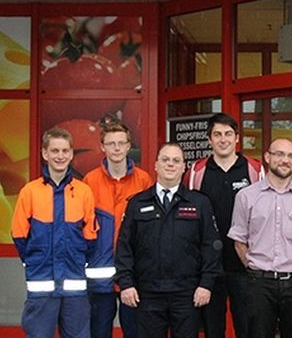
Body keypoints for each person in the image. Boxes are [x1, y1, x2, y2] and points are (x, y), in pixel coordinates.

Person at [114, 142, 221, 338]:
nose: (170, 164)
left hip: (187, 294)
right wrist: (126, 284)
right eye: (165, 160)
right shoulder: (137, 203)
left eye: (176, 160)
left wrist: (206, 284)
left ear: (183, 167)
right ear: (156, 165)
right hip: (148, 293)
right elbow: (124, 247)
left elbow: (211, 247)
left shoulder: (199, 203)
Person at [228, 138, 292, 338]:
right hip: (259, 284)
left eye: (291, 156)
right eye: (279, 154)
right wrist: (255, 267)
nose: (285, 160)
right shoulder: (246, 196)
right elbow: (239, 241)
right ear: (267, 157)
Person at [11, 127, 98, 338]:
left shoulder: (83, 191)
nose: (60, 156)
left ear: (71, 154)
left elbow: (90, 236)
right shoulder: (30, 191)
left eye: (65, 151)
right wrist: (35, 261)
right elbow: (19, 234)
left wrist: (77, 260)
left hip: (74, 282)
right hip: (42, 282)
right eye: (55, 150)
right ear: (45, 153)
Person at [185, 113, 262, 338]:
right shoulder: (196, 172)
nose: (223, 139)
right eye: (217, 134)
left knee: (247, 328)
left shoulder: (254, 169)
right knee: (212, 329)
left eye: (228, 134)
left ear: (237, 138)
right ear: (209, 139)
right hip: (208, 267)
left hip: (244, 265)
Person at [84, 122, 153, 338]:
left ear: (128, 146)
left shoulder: (143, 180)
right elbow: (83, 227)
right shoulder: (90, 181)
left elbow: (151, 230)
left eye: (121, 143)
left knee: (135, 333)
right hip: (99, 273)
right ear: (102, 147)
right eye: (111, 143)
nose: (116, 148)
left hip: (133, 275)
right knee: (99, 333)